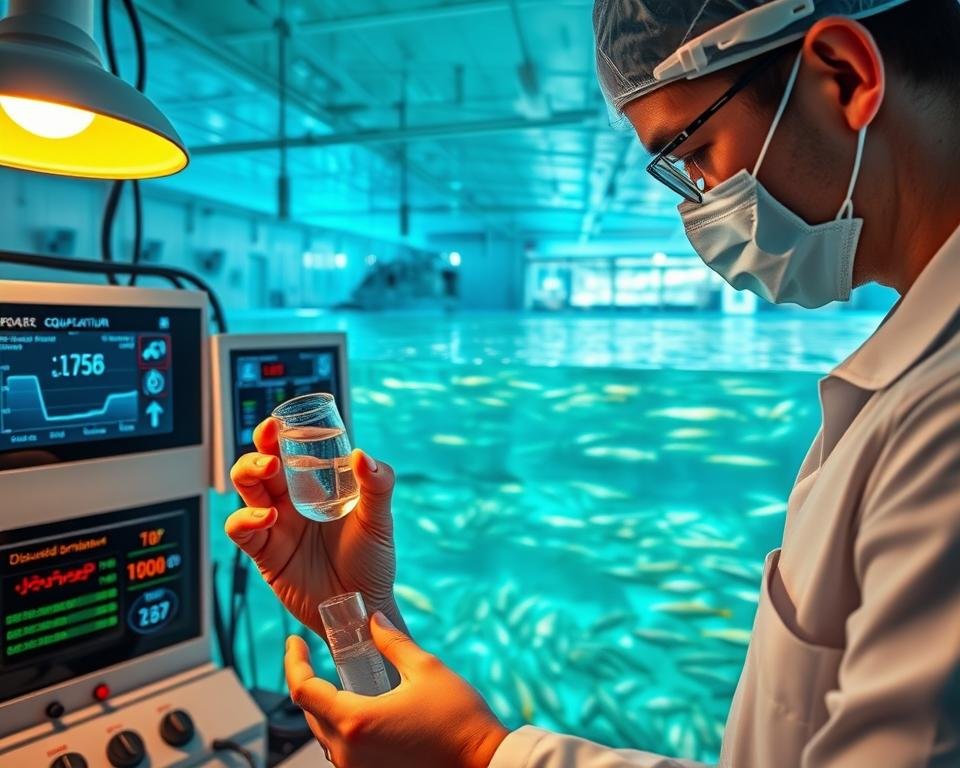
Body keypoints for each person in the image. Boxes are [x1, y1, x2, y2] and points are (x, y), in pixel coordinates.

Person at [226, 0, 960, 764]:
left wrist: (479, 755)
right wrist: (361, 618)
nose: (700, 200)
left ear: (844, 75)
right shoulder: (913, 381)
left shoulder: (942, 417)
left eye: (694, 149)